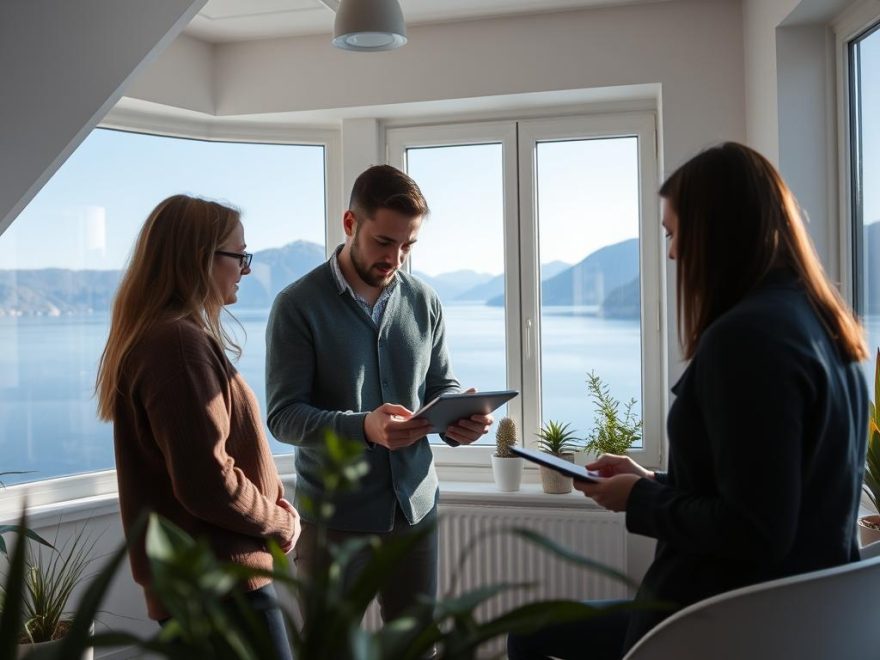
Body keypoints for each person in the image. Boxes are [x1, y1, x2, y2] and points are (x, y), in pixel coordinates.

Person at [508, 142, 869, 659]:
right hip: (801, 622)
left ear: (715, 232)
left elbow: (753, 529)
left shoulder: (746, 339)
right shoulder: (827, 328)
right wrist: (656, 482)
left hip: (721, 624)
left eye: (674, 233)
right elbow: (766, 487)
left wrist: (639, 498)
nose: (673, 253)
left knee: (530, 633)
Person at [265, 164, 493, 626]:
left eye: (408, 245)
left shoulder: (425, 300)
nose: (396, 258)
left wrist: (459, 420)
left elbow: (439, 384)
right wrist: (364, 427)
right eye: (384, 242)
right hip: (334, 522)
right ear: (351, 224)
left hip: (416, 511)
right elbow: (284, 417)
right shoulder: (297, 306)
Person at [96, 194, 300, 660]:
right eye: (239, 256)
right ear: (199, 259)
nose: (246, 269)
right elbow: (208, 482)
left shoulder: (165, 337)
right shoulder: (178, 345)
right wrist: (279, 522)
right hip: (221, 591)